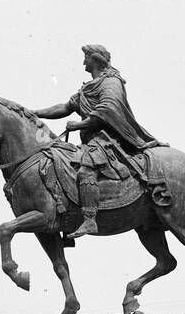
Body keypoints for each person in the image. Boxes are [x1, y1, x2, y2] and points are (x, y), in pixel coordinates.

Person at [31, 44, 162, 237]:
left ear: (96, 60)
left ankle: (90, 220)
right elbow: (66, 107)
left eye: (86, 58)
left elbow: (107, 110)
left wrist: (79, 125)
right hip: (91, 141)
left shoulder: (111, 82)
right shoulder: (89, 86)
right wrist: (34, 113)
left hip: (108, 140)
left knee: (85, 170)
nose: (84, 61)